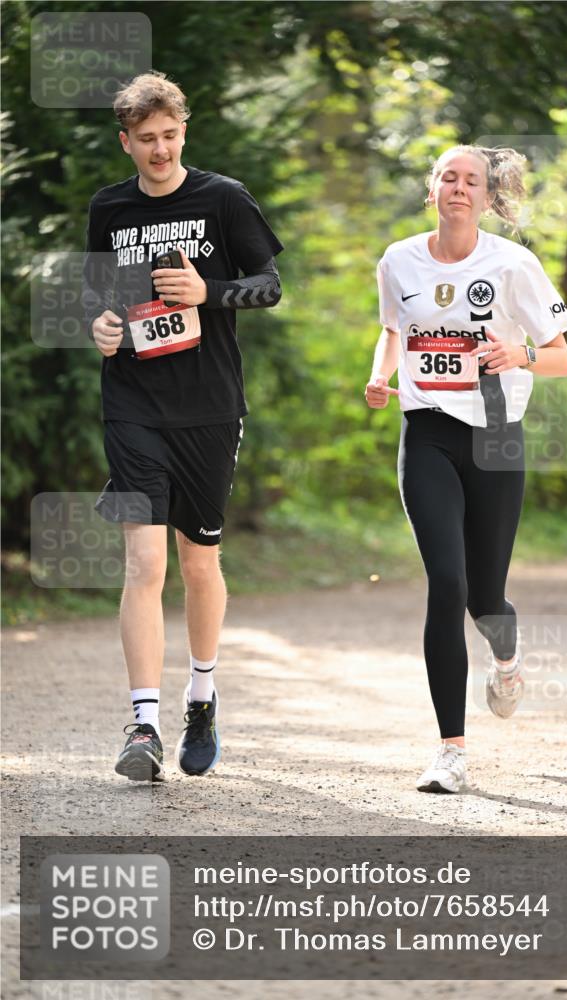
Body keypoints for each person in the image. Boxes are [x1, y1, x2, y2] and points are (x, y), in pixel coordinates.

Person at [82, 72, 283, 782]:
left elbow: (269, 285)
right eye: (146, 140)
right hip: (133, 401)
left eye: (170, 137)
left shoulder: (222, 200)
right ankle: (142, 724)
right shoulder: (108, 208)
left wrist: (211, 291)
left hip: (209, 406)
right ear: (126, 142)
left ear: (182, 133)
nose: (160, 150)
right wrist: (100, 326)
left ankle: (201, 693)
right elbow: (97, 300)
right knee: (145, 564)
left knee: (199, 563)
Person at [366, 144, 567, 793]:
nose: (458, 188)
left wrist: (519, 353)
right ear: (431, 190)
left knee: (486, 598)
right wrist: (379, 375)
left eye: (471, 181)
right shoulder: (398, 260)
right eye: (447, 178)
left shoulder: (514, 264)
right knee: (446, 585)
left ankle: (506, 660)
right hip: (425, 432)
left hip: (496, 438)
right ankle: (449, 751)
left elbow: (562, 357)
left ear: (487, 197)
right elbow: (394, 329)